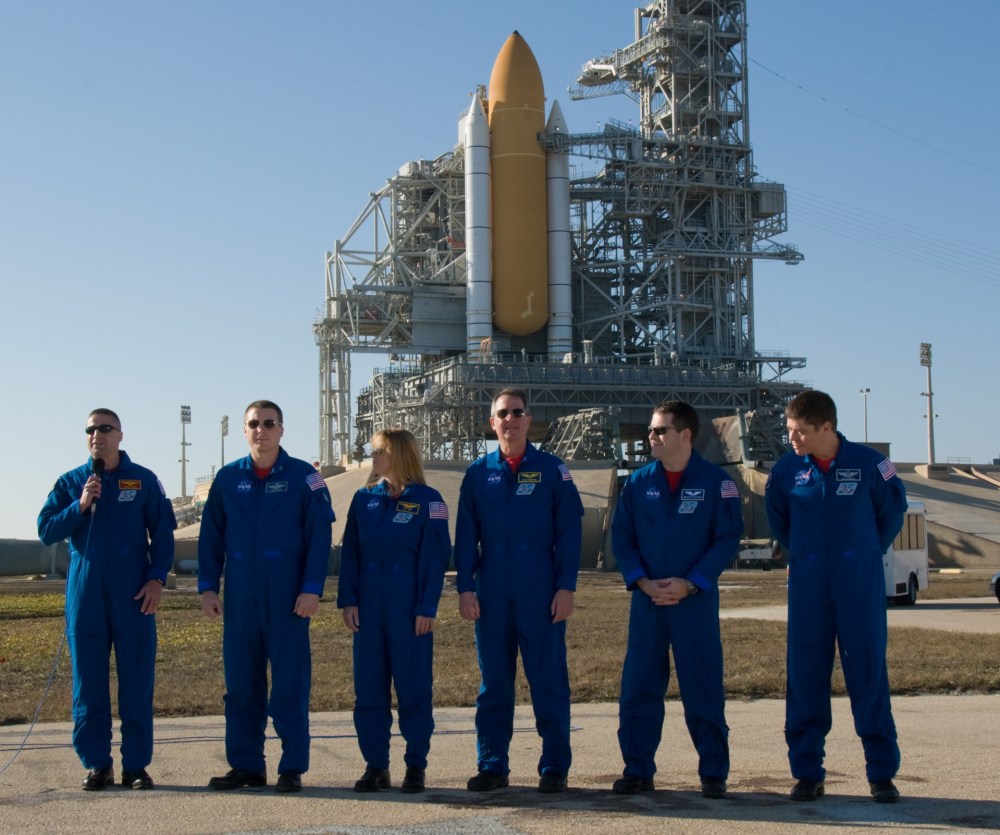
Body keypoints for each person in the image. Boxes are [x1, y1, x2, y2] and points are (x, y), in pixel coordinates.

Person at [765, 390, 907, 804]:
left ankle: (881, 774)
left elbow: (891, 515)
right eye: (789, 430)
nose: (792, 439)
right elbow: (780, 523)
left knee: (868, 674)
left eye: (800, 432)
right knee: (805, 676)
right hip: (808, 587)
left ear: (826, 427)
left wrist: (862, 553)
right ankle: (808, 772)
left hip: (858, 585)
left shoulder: (871, 465)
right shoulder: (786, 470)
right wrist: (807, 555)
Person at [198, 400, 334, 794]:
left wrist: (311, 588)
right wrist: (208, 587)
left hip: (288, 597)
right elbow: (211, 538)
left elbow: (320, 537)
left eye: (269, 423)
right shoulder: (227, 479)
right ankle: (246, 766)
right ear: (245, 430)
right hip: (242, 596)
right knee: (241, 685)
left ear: (281, 430)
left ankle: (291, 767)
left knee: (290, 684)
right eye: (254, 424)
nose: (262, 430)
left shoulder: (305, 477)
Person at [610, 401, 743, 799]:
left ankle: (713, 772)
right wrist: (640, 581)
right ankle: (637, 769)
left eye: (660, 430)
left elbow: (726, 538)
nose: (651, 436)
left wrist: (692, 583)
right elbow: (622, 537)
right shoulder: (638, 484)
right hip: (648, 603)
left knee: (702, 688)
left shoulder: (717, 483)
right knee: (639, 688)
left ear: (685, 435)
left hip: (693, 604)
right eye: (651, 430)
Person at [37, 408, 175, 791]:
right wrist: (80, 506)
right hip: (86, 595)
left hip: (133, 595)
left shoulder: (143, 480)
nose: (96, 434)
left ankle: (136, 766)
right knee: (88, 684)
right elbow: (46, 529)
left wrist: (157, 579)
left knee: (136, 681)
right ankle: (97, 764)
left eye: (105, 428)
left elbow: (163, 533)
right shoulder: (72, 481)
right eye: (90, 429)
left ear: (120, 435)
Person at [455, 388, 584, 793]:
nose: (509, 419)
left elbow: (570, 532)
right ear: (491, 422)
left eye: (517, 412)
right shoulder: (478, 473)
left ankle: (554, 766)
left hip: (540, 590)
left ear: (529, 419)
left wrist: (566, 587)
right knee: (494, 684)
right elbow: (465, 536)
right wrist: (465, 587)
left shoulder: (553, 470)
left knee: (548, 680)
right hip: (492, 592)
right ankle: (492, 765)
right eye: (502, 413)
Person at [337, 428, 451, 794]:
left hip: (409, 611)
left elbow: (435, 559)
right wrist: (348, 600)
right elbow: (351, 554)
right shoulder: (363, 500)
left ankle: (415, 765)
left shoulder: (429, 501)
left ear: (399, 454)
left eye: (379, 451)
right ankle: (376, 765)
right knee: (369, 692)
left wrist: (426, 606)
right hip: (369, 611)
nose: (373, 458)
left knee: (414, 690)